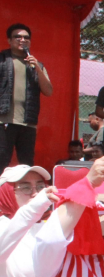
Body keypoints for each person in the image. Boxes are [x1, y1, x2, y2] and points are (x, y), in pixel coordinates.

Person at [0, 24, 53, 170]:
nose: (22, 40)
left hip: (27, 123)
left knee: (26, 164)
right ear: (9, 40)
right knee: (1, 161)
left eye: (26, 37)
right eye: (17, 37)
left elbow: (48, 91)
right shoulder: (2, 60)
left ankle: (25, 191)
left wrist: (37, 67)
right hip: (3, 121)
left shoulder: (37, 65)